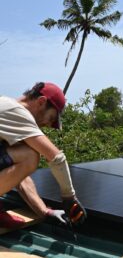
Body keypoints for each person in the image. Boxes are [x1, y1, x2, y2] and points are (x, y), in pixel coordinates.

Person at [0, 82, 86, 227]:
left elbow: (19, 177)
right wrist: (69, 197)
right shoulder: (17, 111)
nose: (48, 124)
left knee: (25, 154)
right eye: (51, 118)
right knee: (31, 155)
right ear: (41, 102)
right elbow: (56, 158)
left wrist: (45, 212)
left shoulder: (7, 109)